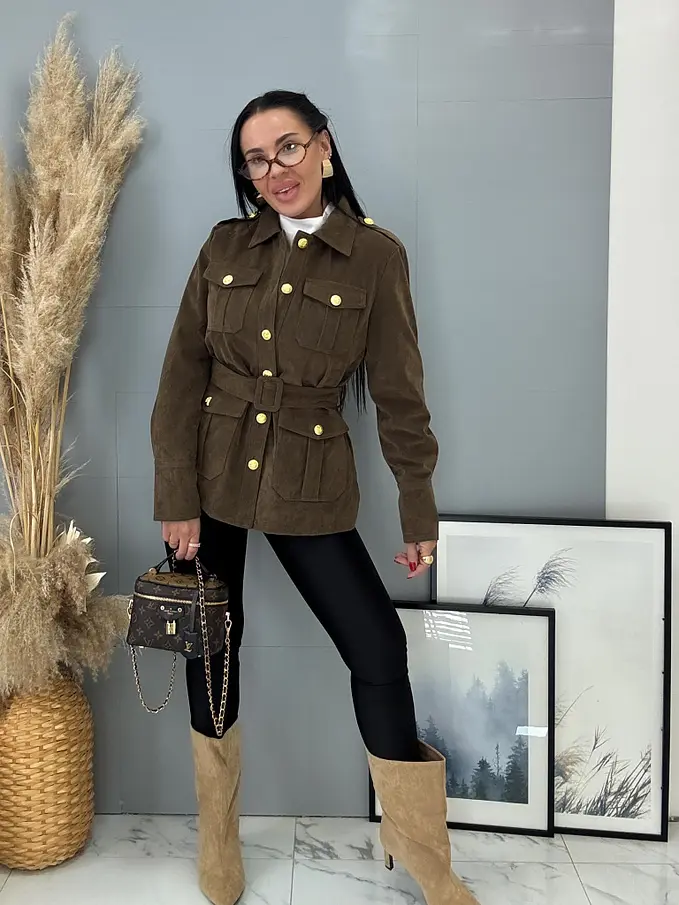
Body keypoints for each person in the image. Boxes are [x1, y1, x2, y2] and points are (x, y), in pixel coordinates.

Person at [150, 90, 479, 905]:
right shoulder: (224, 246)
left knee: (377, 647)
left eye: (288, 147)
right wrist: (176, 496)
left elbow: (399, 396)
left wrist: (417, 510)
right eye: (256, 160)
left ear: (324, 147)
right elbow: (180, 378)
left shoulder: (374, 256)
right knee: (210, 647)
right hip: (211, 479)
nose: (275, 170)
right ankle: (218, 842)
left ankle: (422, 855)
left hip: (309, 481)